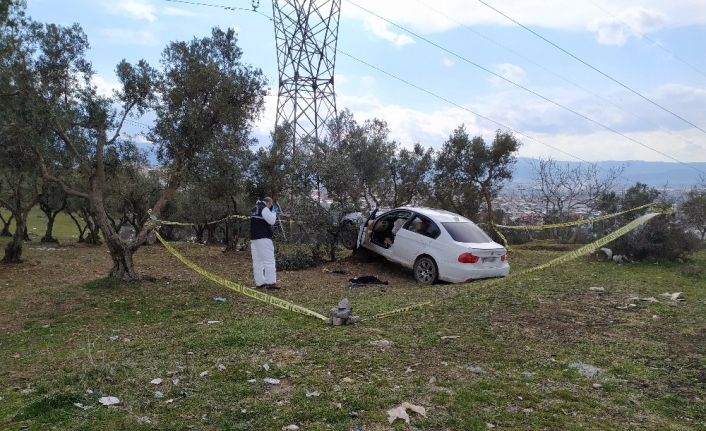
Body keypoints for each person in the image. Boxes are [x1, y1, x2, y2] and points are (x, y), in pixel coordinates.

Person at [250, 197, 280, 289]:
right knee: (269, 261)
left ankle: (260, 282)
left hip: (254, 239)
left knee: (257, 262)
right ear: (269, 203)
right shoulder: (264, 209)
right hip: (263, 238)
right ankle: (270, 282)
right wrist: (274, 211)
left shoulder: (254, 208)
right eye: (271, 205)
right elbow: (272, 221)